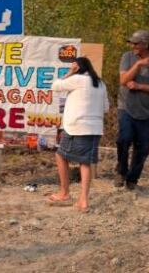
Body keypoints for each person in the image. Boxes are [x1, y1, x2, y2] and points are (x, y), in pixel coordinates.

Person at [47, 57, 109, 212]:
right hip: (95, 128)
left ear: (78, 67)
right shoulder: (100, 84)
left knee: (60, 156)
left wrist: (69, 72)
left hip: (76, 126)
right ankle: (83, 200)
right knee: (85, 163)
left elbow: (55, 86)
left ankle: (64, 193)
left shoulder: (78, 79)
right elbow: (106, 108)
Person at [115, 30, 149, 190]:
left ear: (146, 44)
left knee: (143, 148)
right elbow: (123, 80)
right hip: (126, 107)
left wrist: (140, 86)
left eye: (135, 43)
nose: (132, 46)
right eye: (131, 43)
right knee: (123, 140)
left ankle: (132, 179)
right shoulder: (127, 57)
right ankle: (121, 170)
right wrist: (138, 64)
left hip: (147, 111)